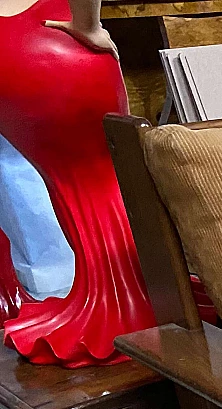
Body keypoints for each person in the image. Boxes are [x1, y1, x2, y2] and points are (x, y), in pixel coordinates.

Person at [0, 0, 155, 366]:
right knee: (101, 173)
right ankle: (129, 299)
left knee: (70, 179)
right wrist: (88, 25)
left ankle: (102, 293)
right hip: (52, 40)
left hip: (10, 49)